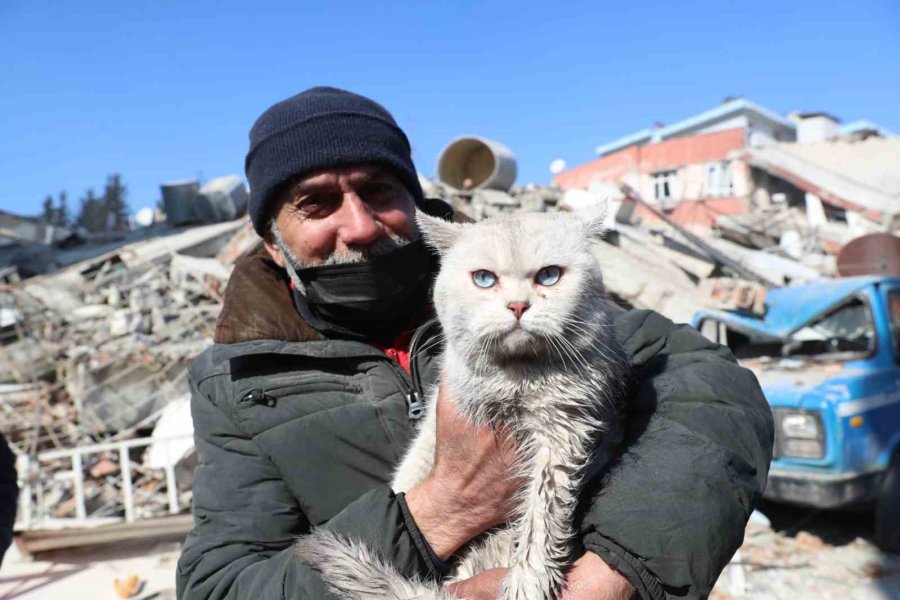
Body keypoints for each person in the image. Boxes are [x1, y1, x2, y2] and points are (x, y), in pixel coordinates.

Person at [175, 87, 773, 600]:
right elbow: (221, 584)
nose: (358, 225)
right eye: (316, 203)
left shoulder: (539, 290)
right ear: (274, 245)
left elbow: (715, 392)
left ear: (414, 201)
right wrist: (442, 509)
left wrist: (616, 570)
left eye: (378, 190)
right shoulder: (237, 382)